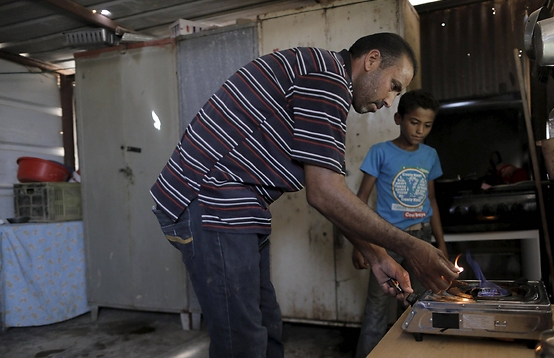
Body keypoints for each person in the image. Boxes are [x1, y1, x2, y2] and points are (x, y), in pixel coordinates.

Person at [150, 32, 459, 358]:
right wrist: (411, 247)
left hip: (239, 206)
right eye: (394, 86)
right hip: (211, 199)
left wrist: (377, 256)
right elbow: (324, 192)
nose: (388, 101)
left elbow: (328, 192)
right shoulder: (326, 79)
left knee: (266, 328)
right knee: (241, 341)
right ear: (371, 61)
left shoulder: (323, 75)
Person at [351, 89, 448, 357]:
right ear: (398, 119)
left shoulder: (430, 155)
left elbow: (432, 200)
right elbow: (360, 200)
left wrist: (441, 244)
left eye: (427, 125)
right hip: (386, 240)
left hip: (421, 238)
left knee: (421, 303)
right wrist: (360, 245)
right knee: (378, 305)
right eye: (414, 122)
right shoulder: (379, 152)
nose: (420, 130)